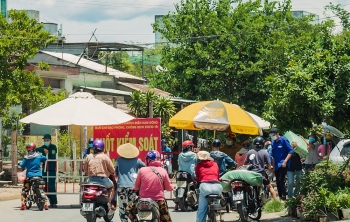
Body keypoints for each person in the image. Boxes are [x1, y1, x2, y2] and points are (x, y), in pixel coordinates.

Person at [126, 150, 174, 222]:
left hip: (143, 201)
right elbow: (168, 188)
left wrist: (133, 189)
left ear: (148, 160)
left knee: (128, 210)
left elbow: (136, 187)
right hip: (159, 201)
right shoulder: (163, 171)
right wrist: (172, 187)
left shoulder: (142, 170)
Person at [115, 143, 146, 222]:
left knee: (122, 206)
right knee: (131, 206)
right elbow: (145, 168)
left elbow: (116, 172)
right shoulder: (137, 160)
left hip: (121, 186)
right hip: (132, 186)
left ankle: (124, 220)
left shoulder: (118, 160)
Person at [84, 139, 116, 210]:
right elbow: (112, 169)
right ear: (102, 148)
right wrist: (112, 172)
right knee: (112, 186)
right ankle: (108, 202)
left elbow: (85, 170)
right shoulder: (105, 157)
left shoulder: (88, 156)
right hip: (103, 180)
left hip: (91, 180)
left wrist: (87, 173)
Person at [245, 136, 277, 201]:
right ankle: (276, 201)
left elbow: (245, 164)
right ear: (262, 144)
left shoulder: (250, 152)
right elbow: (268, 165)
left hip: (251, 175)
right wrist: (271, 168)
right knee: (270, 186)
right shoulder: (265, 152)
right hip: (261, 175)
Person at [19, 142, 49, 210]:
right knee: (42, 189)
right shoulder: (39, 156)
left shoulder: (26, 158)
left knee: (25, 189)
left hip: (30, 176)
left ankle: (23, 204)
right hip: (39, 176)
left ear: (27, 150)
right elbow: (44, 158)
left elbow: (23, 165)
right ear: (35, 149)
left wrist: (19, 163)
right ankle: (46, 204)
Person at [195, 151, 222, 222]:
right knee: (217, 201)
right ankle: (217, 211)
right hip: (217, 186)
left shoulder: (198, 166)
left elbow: (198, 179)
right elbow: (218, 176)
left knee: (201, 210)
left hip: (205, 187)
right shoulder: (215, 164)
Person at [270, 127, 294, 201]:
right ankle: (280, 197)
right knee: (277, 181)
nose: (272, 136)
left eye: (273, 135)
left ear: (277, 134)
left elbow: (290, 151)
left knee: (281, 180)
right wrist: (273, 166)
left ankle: (284, 196)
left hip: (283, 164)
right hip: (276, 165)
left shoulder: (283, 140)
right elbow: (273, 156)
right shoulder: (273, 142)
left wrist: (285, 161)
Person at [35, 134, 58, 208]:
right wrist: (43, 150)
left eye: (47, 140)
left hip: (51, 169)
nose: (46, 141)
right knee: (44, 186)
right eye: (45, 140)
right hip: (44, 169)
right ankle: (48, 201)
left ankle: (54, 202)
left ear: (50, 140)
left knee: (51, 187)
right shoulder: (43, 147)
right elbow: (36, 149)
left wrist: (47, 153)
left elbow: (52, 156)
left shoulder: (53, 147)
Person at [175, 140, 197, 210]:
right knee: (197, 185)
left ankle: (176, 203)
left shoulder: (180, 155)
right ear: (190, 147)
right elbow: (196, 163)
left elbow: (178, 164)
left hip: (180, 173)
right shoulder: (194, 155)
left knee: (178, 186)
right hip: (191, 174)